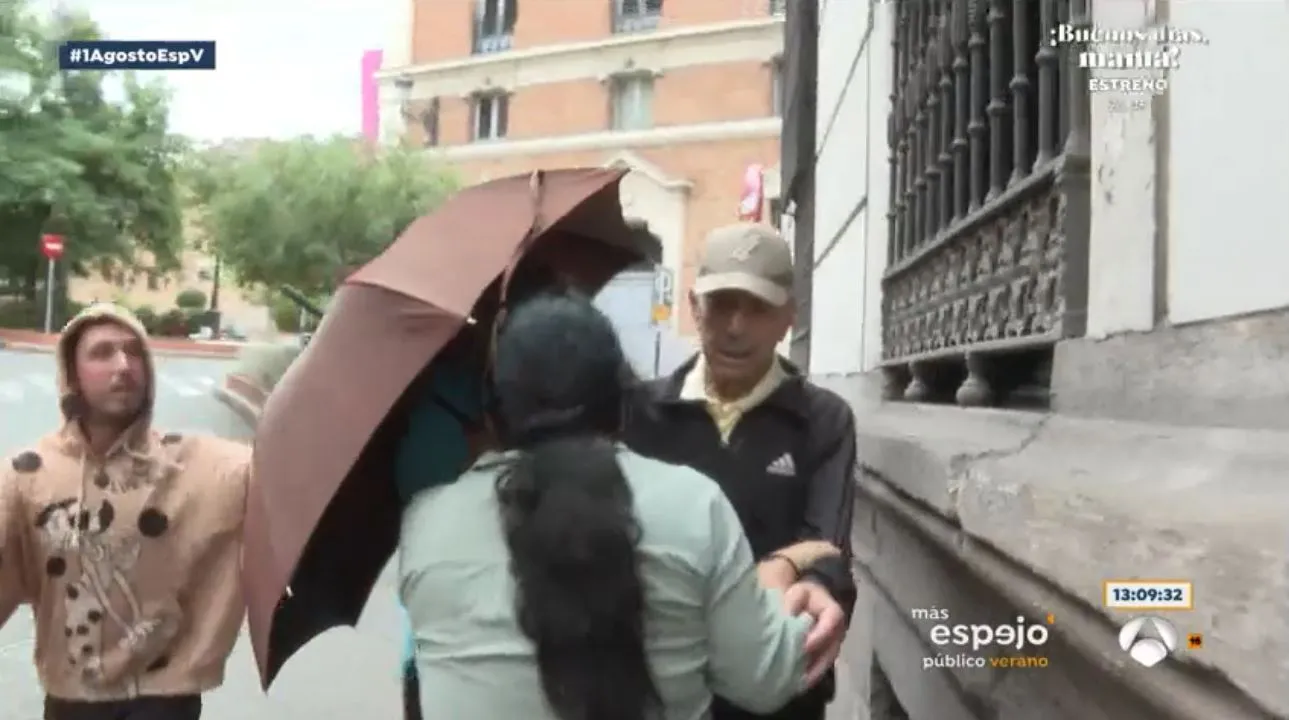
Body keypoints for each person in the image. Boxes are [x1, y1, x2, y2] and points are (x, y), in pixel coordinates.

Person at [399, 291, 844, 719]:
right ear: (623, 405)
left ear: (494, 413)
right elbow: (764, 682)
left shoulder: (428, 522)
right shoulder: (694, 506)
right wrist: (792, 583)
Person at [625, 223, 859, 720]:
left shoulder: (823, 420)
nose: (736, 325)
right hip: (660, 690)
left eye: (757, 308)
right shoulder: (639, 414)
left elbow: (828, 546)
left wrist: (815, 585)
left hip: (777, 693)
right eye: (723, 303)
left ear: (789, 318)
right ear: (694, 307)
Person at [0, 304, 251, 720]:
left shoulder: (196, 464)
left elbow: (280, 476)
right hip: (71, 696)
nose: (124, 365)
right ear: (72, 374)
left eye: (135, 352)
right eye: (102, 353)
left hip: (165, 697)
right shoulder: (28, 474)